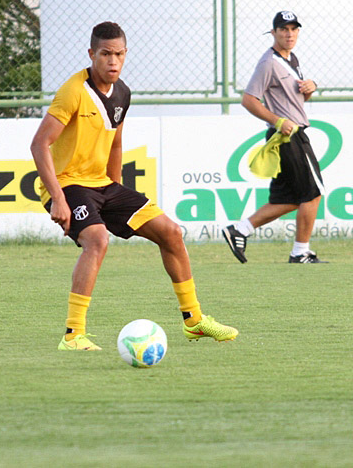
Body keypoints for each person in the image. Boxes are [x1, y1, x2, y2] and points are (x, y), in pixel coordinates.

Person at [31, 21, 238, 350]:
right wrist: (57, 198)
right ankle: (73, 335)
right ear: (91, 54)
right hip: (69, 185)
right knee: (97, 240)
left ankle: (194, 321)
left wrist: (115, 195)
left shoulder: (122, 93)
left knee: (171, 231)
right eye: (105, 54)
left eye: (119, 54)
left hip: (103, 186)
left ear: (126, 54)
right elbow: (39, 144)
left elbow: (115, 144)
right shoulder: (73, 92)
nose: (113, 61)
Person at [223, 11, 327, 264]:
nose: (289, 34)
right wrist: (278, 121)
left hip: (290, 133)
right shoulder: (268, 62)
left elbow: (297, 98)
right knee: (313, 194)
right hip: (289, 135)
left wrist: (310, 87)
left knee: (289, 199)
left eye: (293, 29)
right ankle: (300, 252)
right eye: (283, 29)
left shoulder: (292, 59)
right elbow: (249, 99)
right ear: (273, 32)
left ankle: (240, 230)